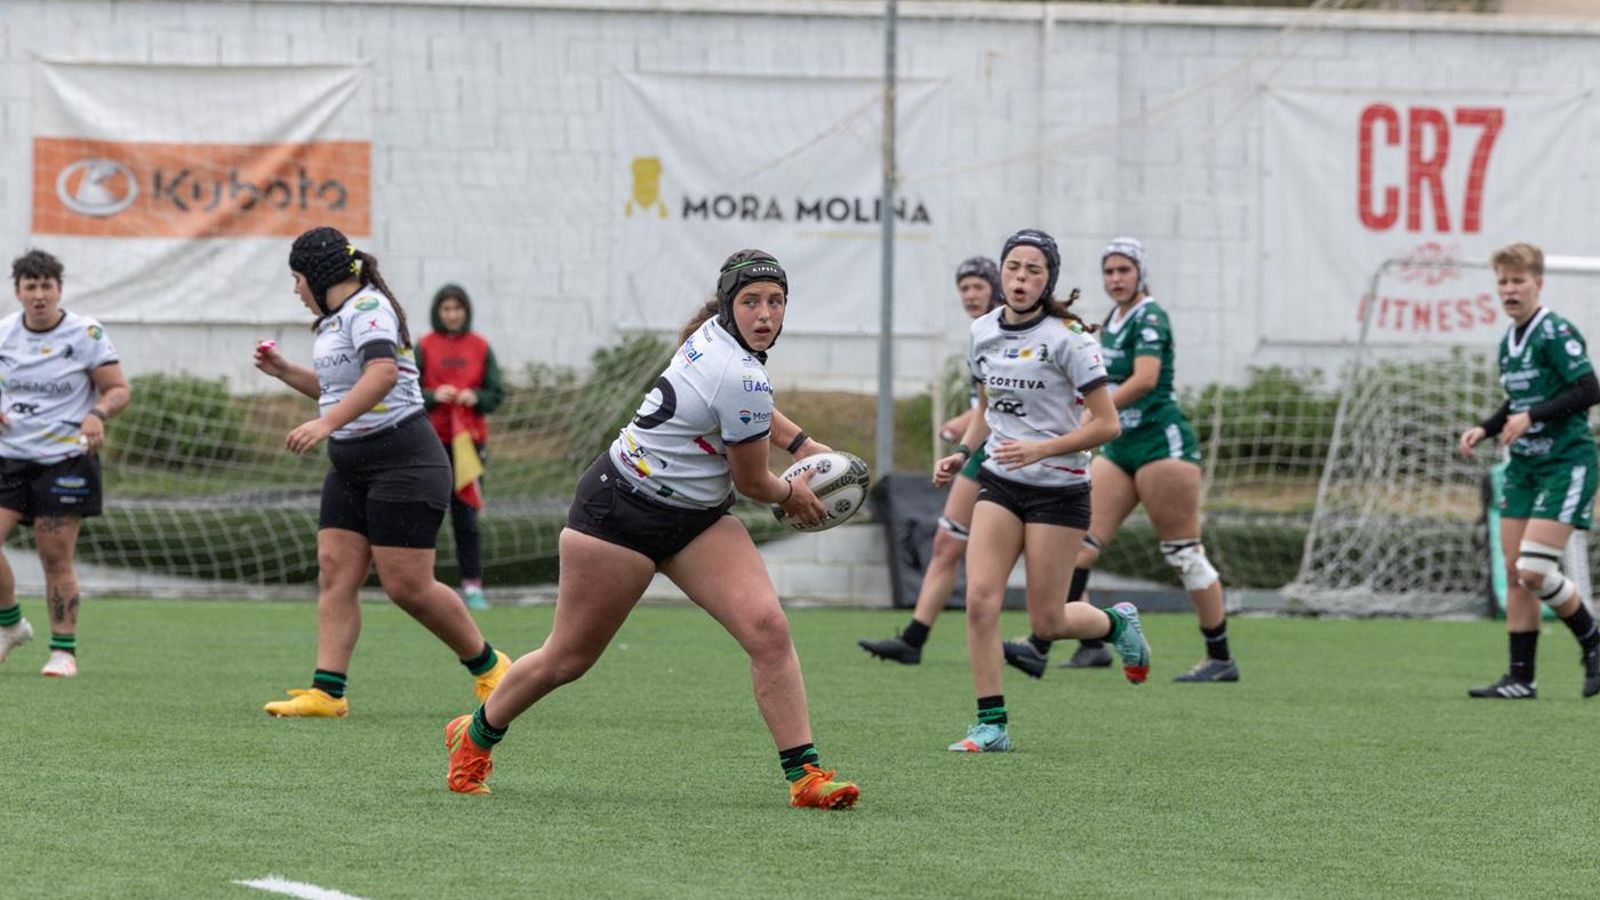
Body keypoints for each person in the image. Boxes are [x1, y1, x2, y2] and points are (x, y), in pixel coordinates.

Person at [443, 249, 859, 809]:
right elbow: (756, 482)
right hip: (620, 512)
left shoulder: (718, 338)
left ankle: (806, 777)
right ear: (728, 305)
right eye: (752, 301)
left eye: (776, 301)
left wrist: (803, 445)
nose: (765, 313)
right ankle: (475, 735)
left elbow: (748, 408)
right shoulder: (737, 370)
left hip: (695, 520)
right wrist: (796, 494)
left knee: (768, 629)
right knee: (567, 659)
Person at [254, 227, 509, 717]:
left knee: (407, 587)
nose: (295, 290)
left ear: (320, 275)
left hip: (404, 462)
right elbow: (338, 391)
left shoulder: (370, 309)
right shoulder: (333, 321)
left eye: (297, 278)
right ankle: (328, 693)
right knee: (335, 571)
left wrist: (326, 423)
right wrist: (286, 371)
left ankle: (490, 666)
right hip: (350, 466)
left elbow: (383, 374)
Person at [937, 229, 1150, 754]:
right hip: (1000, 485)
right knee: (980, 602)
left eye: (1034, 270)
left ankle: (1116, 622)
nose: (1021, 278)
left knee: (1048, 622)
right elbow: (989, 409)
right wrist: (964, 454)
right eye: (1014, 267)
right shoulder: (983, 331)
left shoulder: (1070, 338)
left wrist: (1042, 449)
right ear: (1001, 274)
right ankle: (992, 724)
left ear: (1048, 278)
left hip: (1059, 491)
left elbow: (1107, 426)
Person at [1003, 237, 1239, 681]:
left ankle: (1220, 657)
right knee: (1081, 546)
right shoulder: (1111, 319)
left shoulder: (1151, 316)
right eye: (1109, 271)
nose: (1115, 279)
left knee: (1184, 554)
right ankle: (1067, 645)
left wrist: (1096, 409)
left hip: (1159, 443)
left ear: (1140, 274)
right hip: (1119, 444)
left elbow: (1146, 378)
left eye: (1124, 270)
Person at [1458, 241, 1600, 700]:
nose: (1510, 289)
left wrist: (1533, 416)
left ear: (1538, 283)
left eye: (1518, 280)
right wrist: (1487, 426)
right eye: (1502, 281)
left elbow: (1588, 388)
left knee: (1534, 571)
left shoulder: (1555, 331)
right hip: (1524, 468)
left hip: (1566, 463)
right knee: (1515, 571)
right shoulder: (1508, 342)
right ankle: (1521, 677)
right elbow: (1516, 403)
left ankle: (1593, 639)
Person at [857, 256, 1002, 664]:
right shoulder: (982, 333)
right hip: (981, 455)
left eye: (978, 287)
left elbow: (1006, 405)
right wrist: (961, 436)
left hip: (1018, 454)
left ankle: (1085, 633)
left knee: (1056, 553)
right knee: (946, 543)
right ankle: (914, 639)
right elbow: (987, 405)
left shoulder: (1015, 329)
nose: (971, 295)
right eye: (965, 289)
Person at [0, 249, 130, 678]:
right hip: (10, 458)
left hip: (65, 460)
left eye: (46, 286)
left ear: (59, 289)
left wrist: (97, 414)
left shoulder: (86, 334)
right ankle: (12, 625)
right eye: (30, 287)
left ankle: (63, 650)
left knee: (53, 554)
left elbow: (117, 389)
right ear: (17, 291)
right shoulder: (3, 334)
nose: (39, 295)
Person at [417, 284, 506, 610]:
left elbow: (496, 392)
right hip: (431, 442)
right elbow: (408, 387)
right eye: (446, 309)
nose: (452, 315)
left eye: (457, 309)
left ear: (465, 312)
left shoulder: (481, 347)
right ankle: (421, 584)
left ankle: (472, 586)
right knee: (427, 514)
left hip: (469, 443)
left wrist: (476, 398)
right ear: (437, 313)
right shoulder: (424, 346)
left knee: (466, 517)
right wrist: (432, 395)